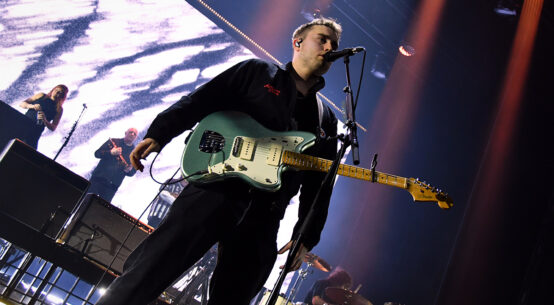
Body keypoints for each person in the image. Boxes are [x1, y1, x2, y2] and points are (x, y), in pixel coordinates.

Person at [96, 17, 342, 305]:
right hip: (215, 189)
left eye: (334, 44)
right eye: (322, 39)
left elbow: (319, 184)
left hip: (265, 214)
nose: (330, 47)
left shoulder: (325, 118)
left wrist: (306, 235)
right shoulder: (257, 71)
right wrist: (161, 132)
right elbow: (202, 100)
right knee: (148, 273)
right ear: (297, 43)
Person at [88, 128, 138, 203]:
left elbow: (132, 173)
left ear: (136, 137)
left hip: (112, 186)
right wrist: (110, 153)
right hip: (98, 179)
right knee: (85, 201)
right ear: (125, 133)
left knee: (99, 209)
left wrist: (129, 170)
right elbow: (97, 153)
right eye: (131, 132)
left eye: (135, 134)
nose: (132, 134)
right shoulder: (114, 141)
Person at [18, 84, 69, 148]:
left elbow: (53, 127)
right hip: (23, 124)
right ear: (53, 89)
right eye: (56, 90)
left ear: (62, 96)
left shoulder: (59, 109)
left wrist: (45, 121)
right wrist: (32, 106)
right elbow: (22, 104)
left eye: (60, 93)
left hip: (35, 132)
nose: (57, 93)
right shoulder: (41, 95)